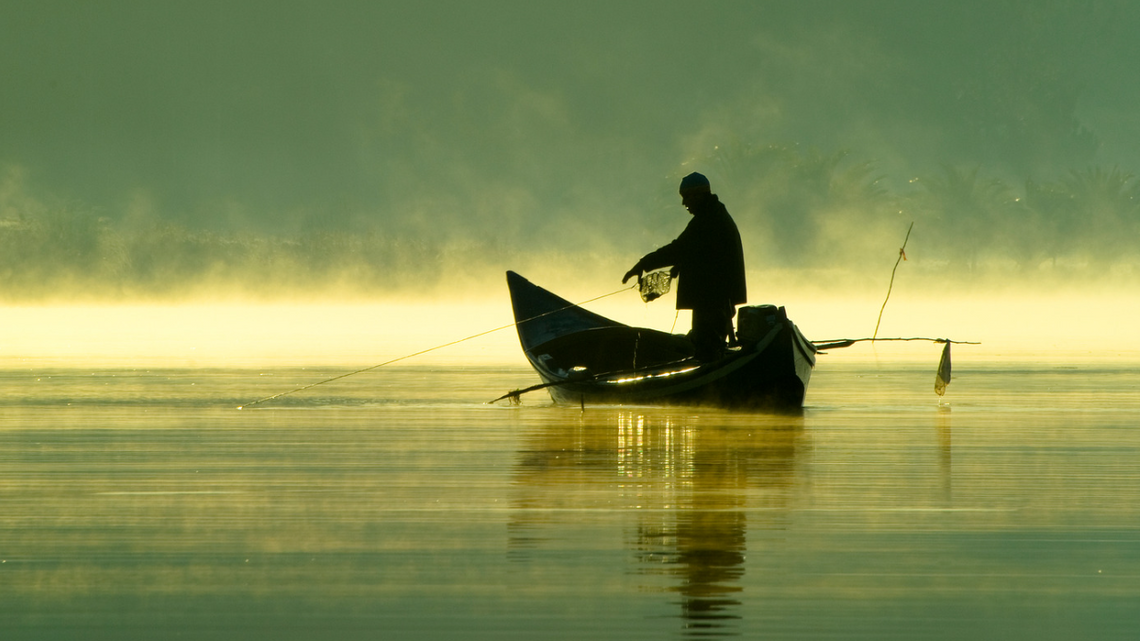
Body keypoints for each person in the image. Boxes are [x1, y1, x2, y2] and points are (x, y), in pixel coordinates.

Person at [622, 172, 747, 362]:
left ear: (698, 195)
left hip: (712, 297)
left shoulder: (708, 220)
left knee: (707, 348)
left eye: (686, 197)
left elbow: (679, 248)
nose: (684, 204)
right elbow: (701, 250)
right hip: (717, 296)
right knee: (709, 345)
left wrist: (643, 264)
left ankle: (708, 379)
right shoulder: (715, 214)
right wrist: (678, 267)